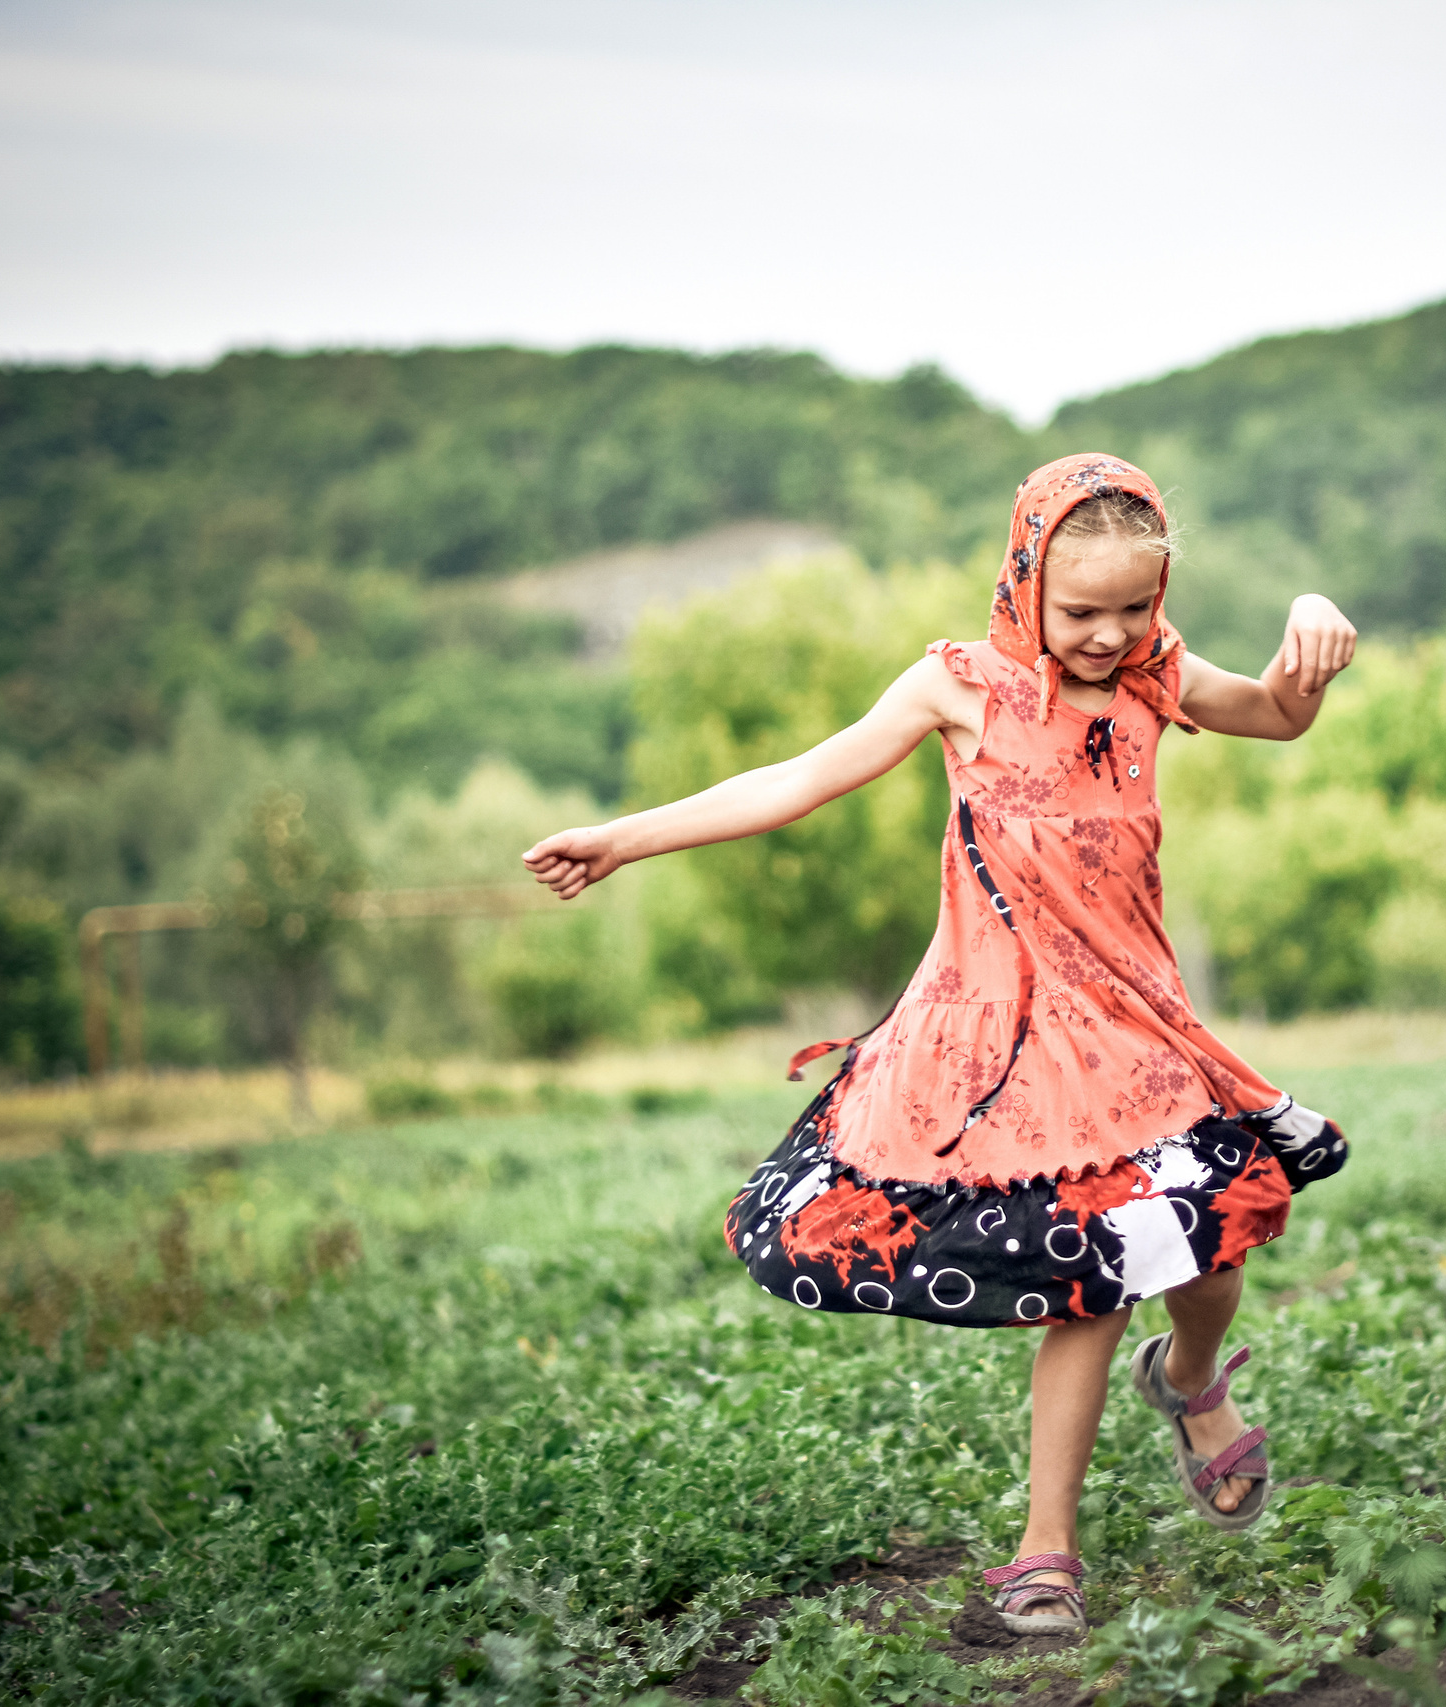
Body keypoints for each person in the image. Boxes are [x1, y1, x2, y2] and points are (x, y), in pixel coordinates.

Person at [521, 453, 1354, 1636]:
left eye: (1133, 606)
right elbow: (797, 780)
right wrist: (624, 838)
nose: (1109, 635)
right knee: (1094, 1280)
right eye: (1081, 611)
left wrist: (1308, 642)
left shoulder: (1160, 676)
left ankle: (1186, 1382)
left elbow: (1274, 713)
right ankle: (1044, 1555)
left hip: (1137, 1020)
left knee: (1210, 1263)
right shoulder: (957, 686)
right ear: (1023, 575)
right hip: (1012, 1029)